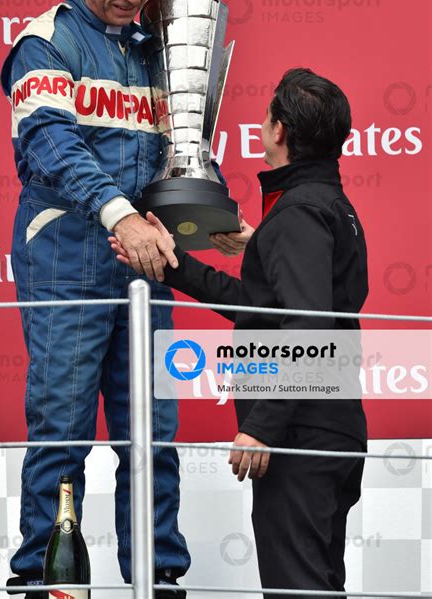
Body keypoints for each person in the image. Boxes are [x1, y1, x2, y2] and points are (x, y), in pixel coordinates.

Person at [0, 0, 252, 599]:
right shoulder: (46, 42)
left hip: (147, 267)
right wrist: (121, 216)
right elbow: (51, 147)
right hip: (67, 261)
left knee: (154, 432)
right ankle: (44, 580)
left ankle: (158, 574)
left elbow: (178, 148)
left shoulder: (152, 46)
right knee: (61, 430)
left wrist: (212, 217)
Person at [111, 67, 369, 598]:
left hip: (300, 436)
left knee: (297, 588)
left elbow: (308, 327)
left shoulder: (300, 214)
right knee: (317, 585)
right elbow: (261, 308)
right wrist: (175, 264)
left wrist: (263, 427)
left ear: (278, 130)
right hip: (329, 430)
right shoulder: (330, 208)